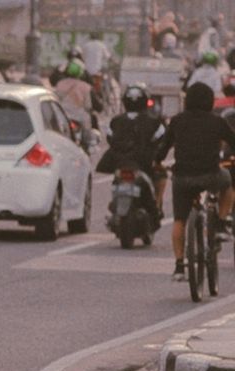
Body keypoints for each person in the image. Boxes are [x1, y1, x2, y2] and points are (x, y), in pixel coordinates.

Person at [155, 82, 235, 280]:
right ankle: (223, 222)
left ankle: (180, 266)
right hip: (211, 175)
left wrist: (157, 162)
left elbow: (163, 148)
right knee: (229, 184)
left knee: (179, 220)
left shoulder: (177, 121)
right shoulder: (217, 121)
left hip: (182, 178)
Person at [99, 84, 168, 222]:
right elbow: (161, 139)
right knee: (162, 175)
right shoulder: (154, 122)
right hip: (144, 164)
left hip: (119, 163)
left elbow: (110, 138)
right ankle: (157, 206)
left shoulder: (115, 121)